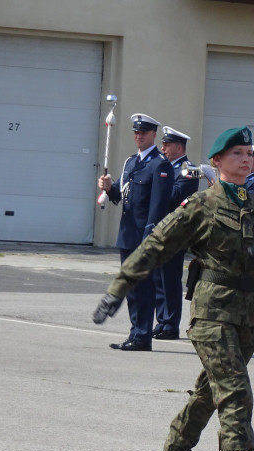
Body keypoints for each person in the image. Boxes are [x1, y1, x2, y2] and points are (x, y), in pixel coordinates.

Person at [92, 126, 254, 451]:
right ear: (218, 162)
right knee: (236, 393)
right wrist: (118, 289)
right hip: (212, 314)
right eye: (236, 153)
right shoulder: (202, 204)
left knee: (209, 395)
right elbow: (157, 244)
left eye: (248, 153)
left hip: (247, 316)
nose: (246, 159)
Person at [97, 113, 174, 351]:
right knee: (132, 288)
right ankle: (135, 333)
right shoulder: (131, 162)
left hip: (144, 237)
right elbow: (122, 195)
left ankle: (142, 336)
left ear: (153, 135)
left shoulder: (159, 164)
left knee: (143, 287)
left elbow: (158, 206)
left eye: (143, 133)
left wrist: (149, 238)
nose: (138, 136)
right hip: (128, 234)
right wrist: (110, 188)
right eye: (136, 133)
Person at [151, 126, 200, 340]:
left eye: (167, 145)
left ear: (179, 147)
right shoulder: (164, 167)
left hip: (176, 231)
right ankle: (161, 321)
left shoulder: (188, 170)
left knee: (170, 279)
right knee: (158, 278)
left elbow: (176, 195)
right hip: (159, 229)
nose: (163, 148)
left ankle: (170, 324)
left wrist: (158, 184)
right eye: (162, 144)